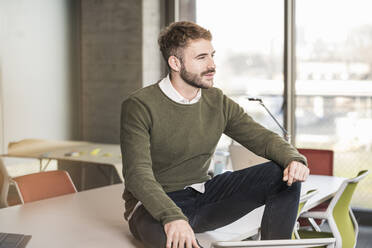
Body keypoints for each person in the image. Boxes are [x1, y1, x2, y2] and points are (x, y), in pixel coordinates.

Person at [120, 21, 309, 248]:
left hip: (202, 195)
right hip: (152, 207)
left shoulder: (216, 100)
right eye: (201, 58)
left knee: (283, 176)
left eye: (212, 55)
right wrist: (172, 216)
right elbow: (137, 174)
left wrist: (293, 159)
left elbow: (262, 137)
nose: (212, 65)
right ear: (175, 63)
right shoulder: (140, 105)